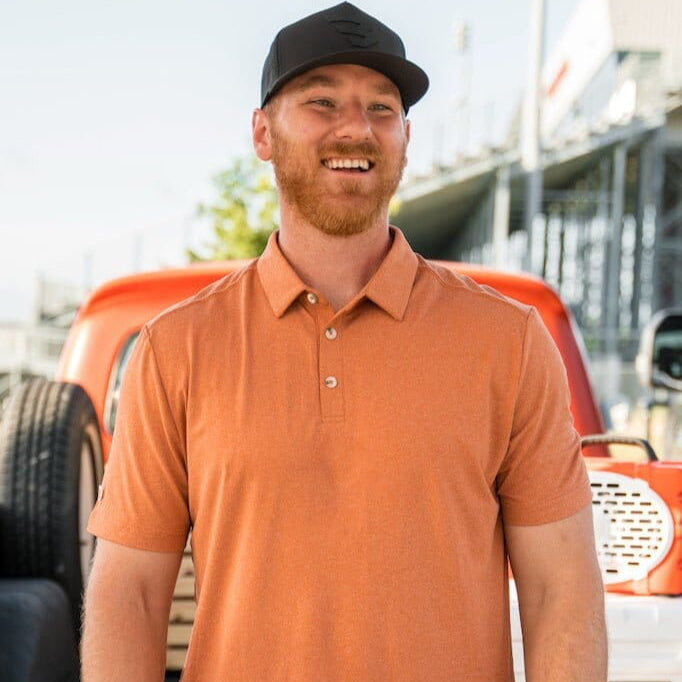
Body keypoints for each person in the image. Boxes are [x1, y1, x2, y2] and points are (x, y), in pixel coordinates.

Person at [81, 3, 607, 680]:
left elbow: (559, 591)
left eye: (381, 108)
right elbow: (129, 593)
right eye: (322, 102)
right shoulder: (175, 349)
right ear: (263, 132)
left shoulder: (509, 342)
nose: (356, 128)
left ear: (406, 138)